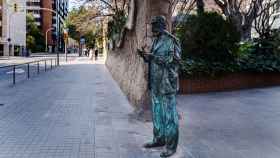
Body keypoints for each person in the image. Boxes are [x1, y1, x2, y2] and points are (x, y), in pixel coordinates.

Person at [137, 15, 181, 157]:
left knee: (169, 115)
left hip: (167, 84)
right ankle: (159, 139)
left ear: (161, 25)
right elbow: (154, 59)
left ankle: (171, 146)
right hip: (155, 83)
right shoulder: (156, 40)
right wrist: (145, 56)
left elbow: (174, 61)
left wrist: (154, 57)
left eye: (154, 25)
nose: (151, 28)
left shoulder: (172, 41)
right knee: (157, 113)